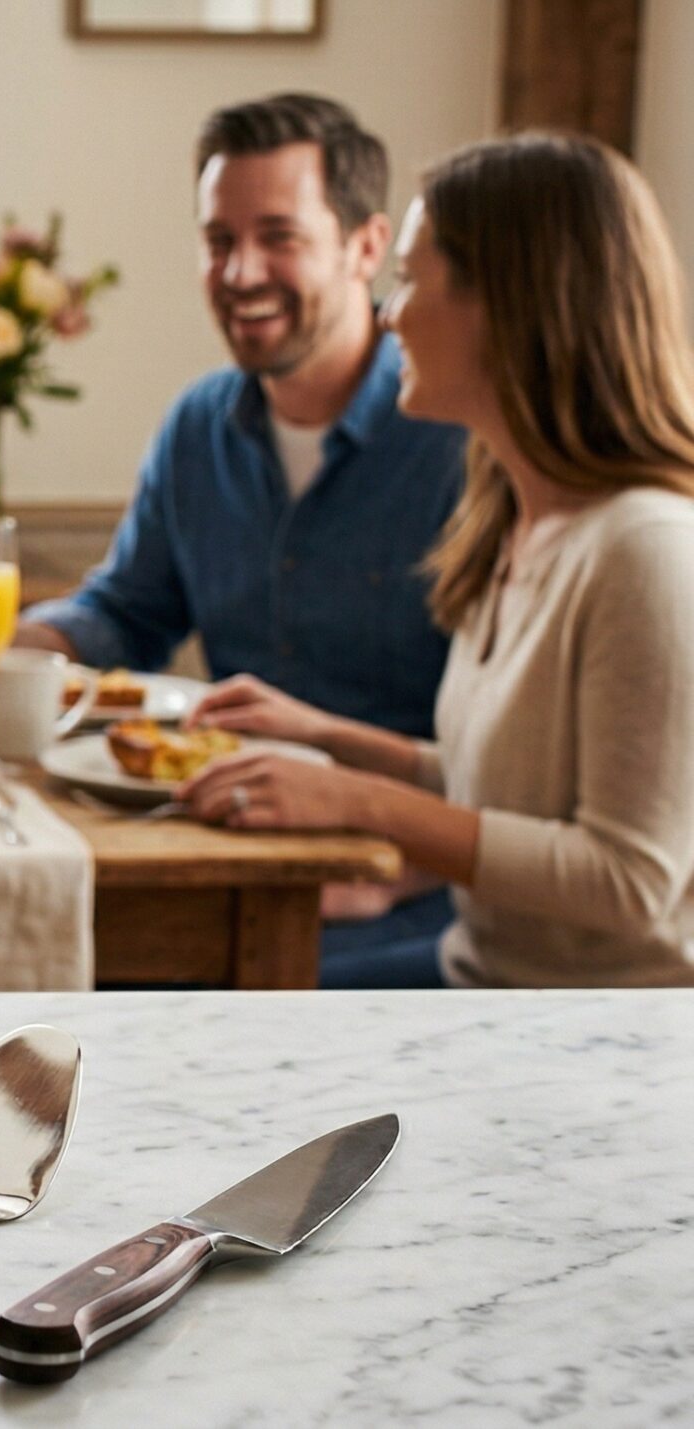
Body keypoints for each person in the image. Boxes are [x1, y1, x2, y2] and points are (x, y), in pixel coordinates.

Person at [0, 94, 466, 986]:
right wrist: (13, 643)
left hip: (401, 898)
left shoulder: (457, 433)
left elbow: (524, 767)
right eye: (219, 240)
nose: (240, 270)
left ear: (367, 248)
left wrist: (410, 864)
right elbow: (127, 609)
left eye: (279, 236)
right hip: (218, 856)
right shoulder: (198, 425)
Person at [180, 133, 694, 990]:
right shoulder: (516, 520)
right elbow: (509, 785)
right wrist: (323, 734)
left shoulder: (645, 551)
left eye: (414, 278)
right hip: (484, 988)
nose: (388, 314)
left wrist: (357, 800)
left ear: (515, 304)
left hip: (610, 1048)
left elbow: (631, 879)